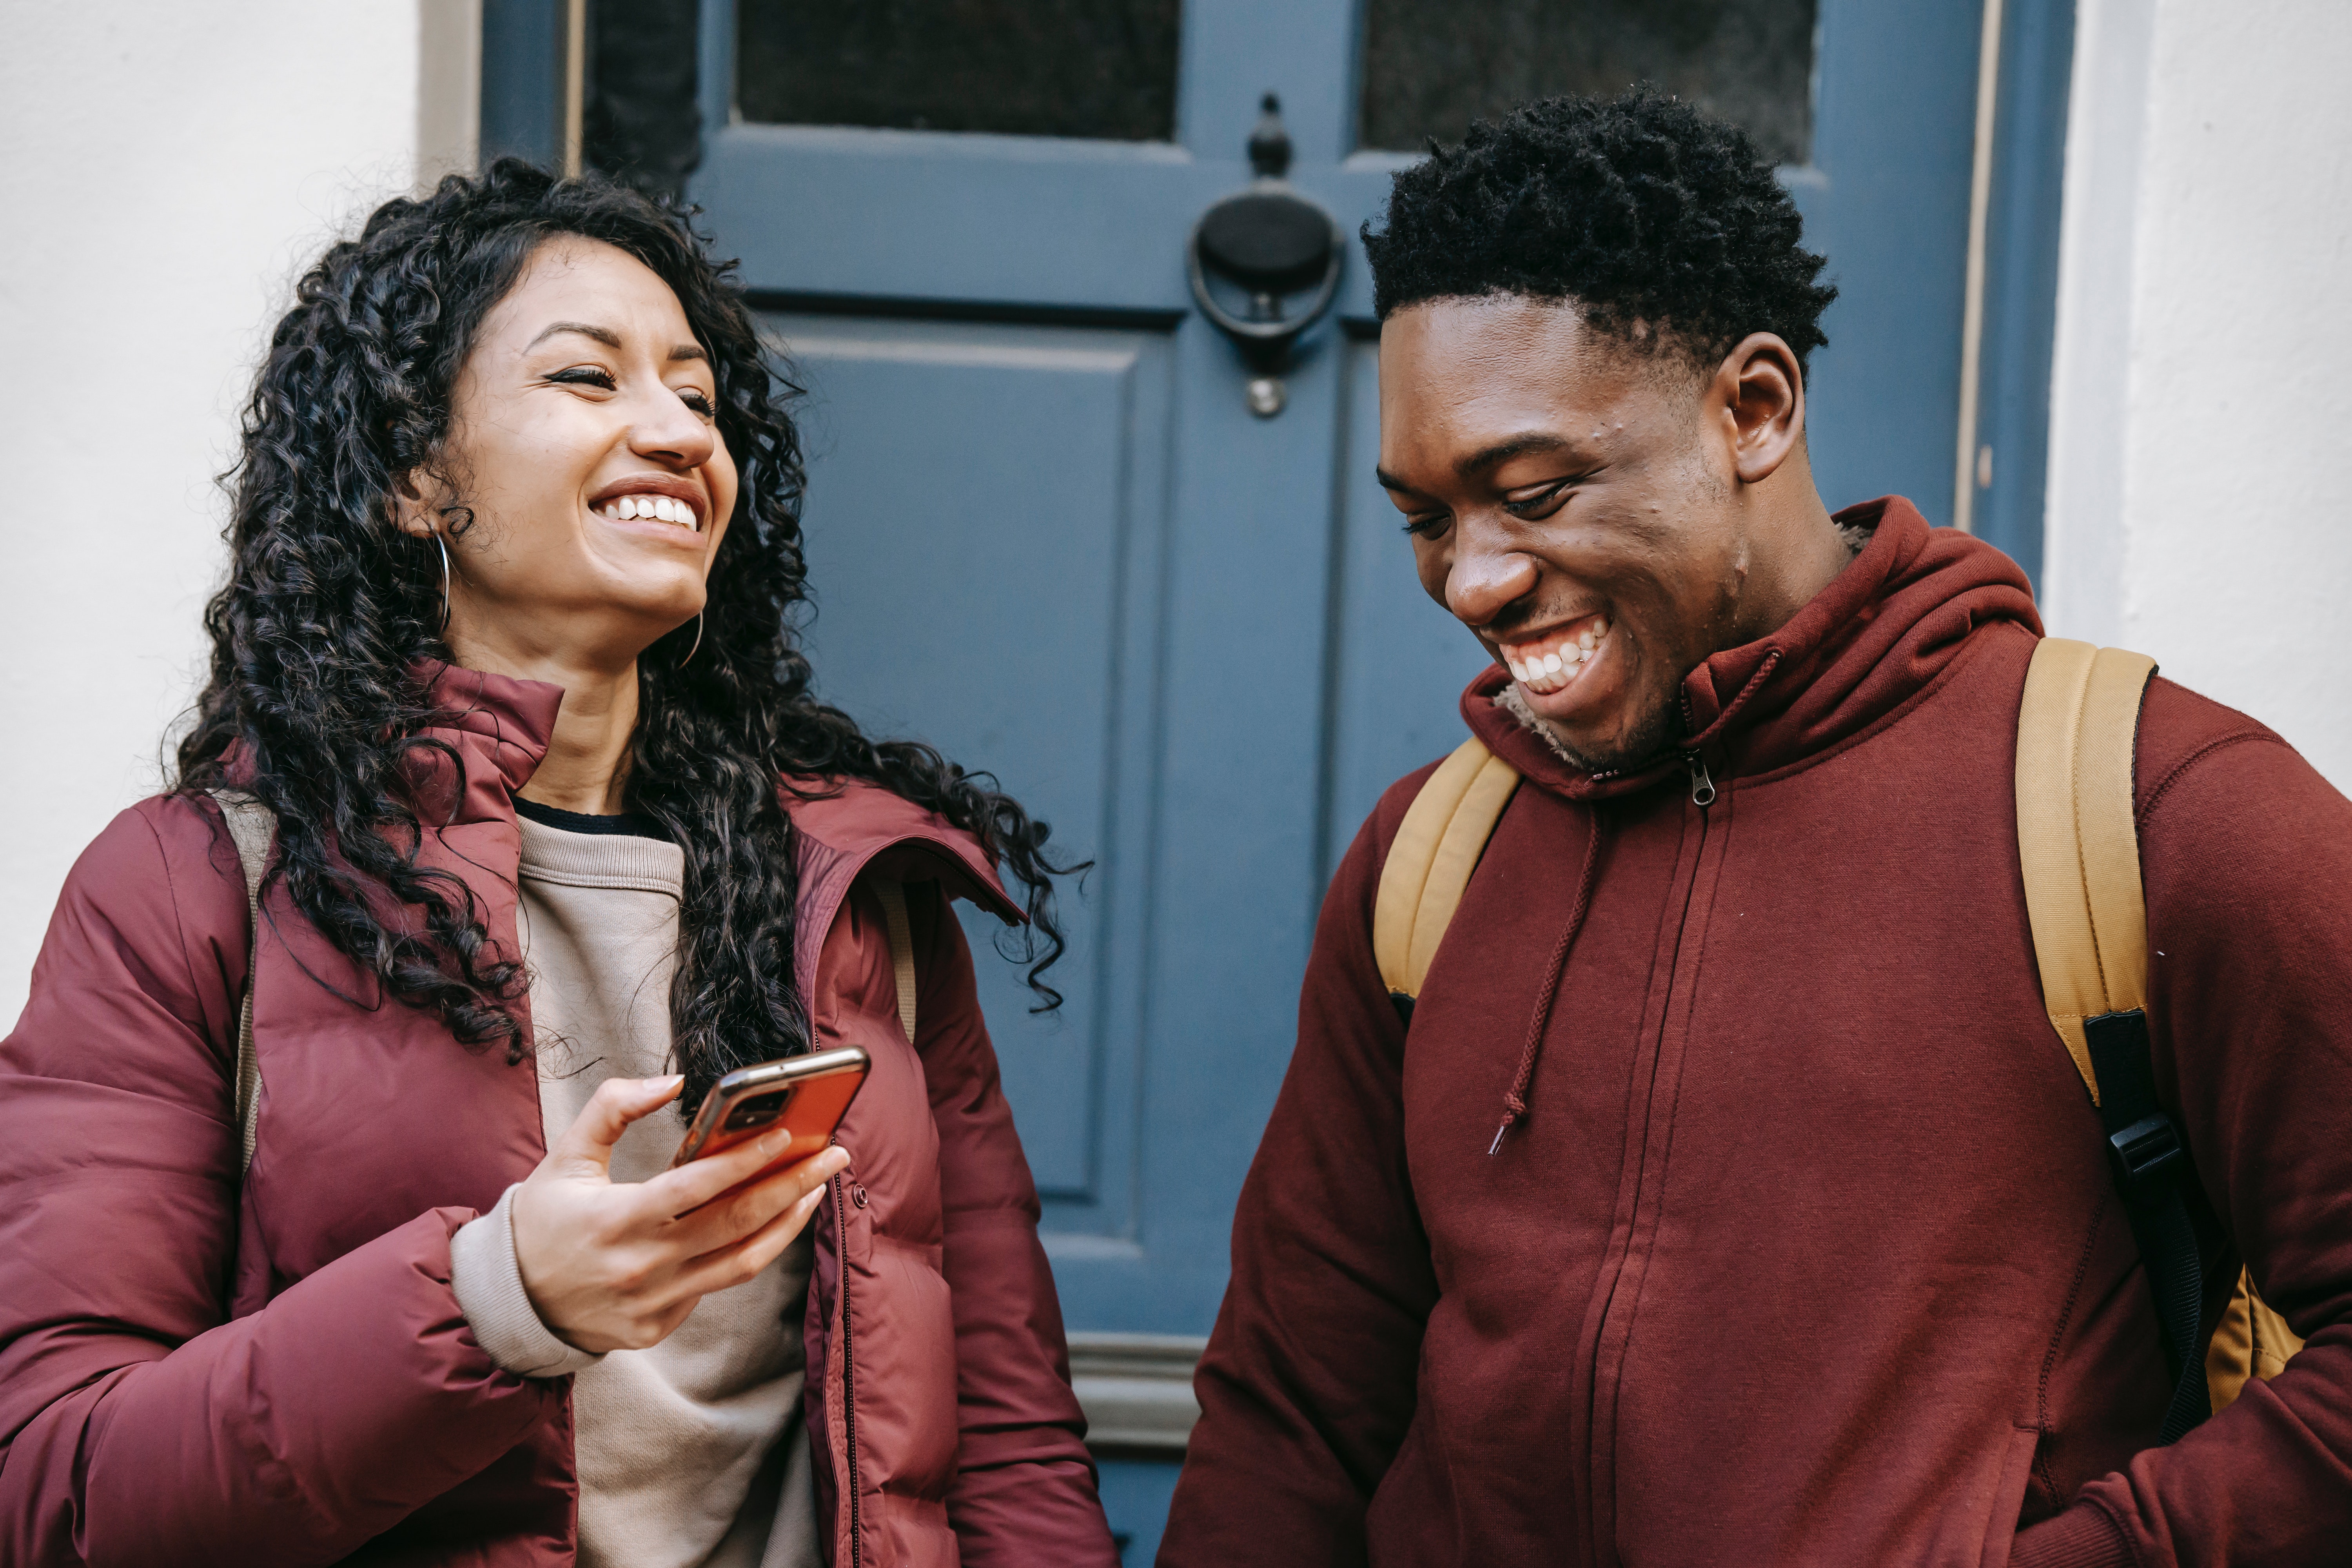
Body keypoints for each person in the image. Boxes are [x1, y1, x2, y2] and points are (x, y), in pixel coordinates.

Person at [1158, 90, 2352, 1567]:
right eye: (1425, 516)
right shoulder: (1433, 854)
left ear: (1755, 409)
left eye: (1534, 493)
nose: (1469, 581)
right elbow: (1294, 1411)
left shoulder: (2157, 810)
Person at [0, 162, 1119, 1568]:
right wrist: (497, 1301)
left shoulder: (856, 893)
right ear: (418, 479)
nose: (674, 434)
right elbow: (55, 1480)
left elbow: (1007, 1444)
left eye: (698, 398)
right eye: (588, 381)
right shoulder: (192, 889)